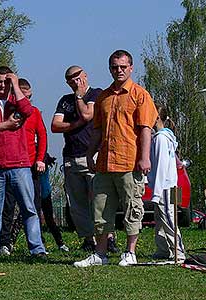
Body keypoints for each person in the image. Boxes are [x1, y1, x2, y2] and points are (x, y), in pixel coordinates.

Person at [74, 50, 158, 267]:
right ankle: (100, 253)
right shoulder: (103, 97)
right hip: (105, 163)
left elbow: (146, 129)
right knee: (100, 209)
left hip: (130, 162)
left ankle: (130, 252)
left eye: (122, 67)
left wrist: (145, 157)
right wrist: (89, 153)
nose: (118, 71)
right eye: (114, 67)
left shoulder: (140, 94)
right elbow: (97, 130)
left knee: (132, 207)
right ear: (110, 68)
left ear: (131, 68)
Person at [0, 66, 46, 259]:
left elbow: (28, 110)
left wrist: (15, 84)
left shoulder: (17, 103)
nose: (2, 85)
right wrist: (4, 125)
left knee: (29, 209)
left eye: (6, 81)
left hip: (20, 165)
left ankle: (37, 249)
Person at [0, 79, 68, 255]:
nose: (26, 99)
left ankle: (37, 244)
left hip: (31, 166)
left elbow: (43, 136)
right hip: (10, 165)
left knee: (34, 207)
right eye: (23, 95)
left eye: (29, 96)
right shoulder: (4, 111)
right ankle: (4, 243)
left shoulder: (34, 113)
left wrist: (40, 160)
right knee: (7, 206)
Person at [51, 65, 108, 252]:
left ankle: (108, 237)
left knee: (99, 200)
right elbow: (55, 125)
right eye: (71, 79)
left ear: (85, 75)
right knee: (77, 203)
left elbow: (87, 114)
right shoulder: (65, 101)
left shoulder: (96, 94)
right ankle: (88, 238)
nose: (76, 81)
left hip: (92, 155)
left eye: (78, 77)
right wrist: (75, 124)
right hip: (71, 157)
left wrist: (79, 96)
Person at [148, 104, 185, 261]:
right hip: (168, 184)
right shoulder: (163, 137)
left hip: (164, 186)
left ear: (156, 118)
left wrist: (156, 192)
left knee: (168, 218)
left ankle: (179, 251)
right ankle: (163, 248)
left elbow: (161, 167)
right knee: (160, 219)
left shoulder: (161, 139)